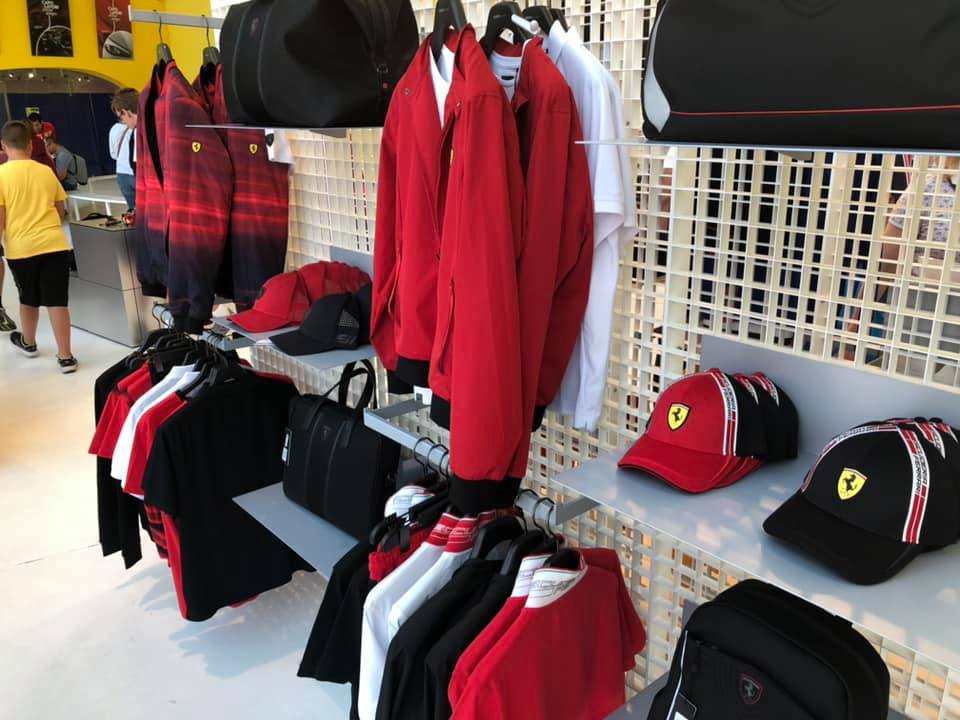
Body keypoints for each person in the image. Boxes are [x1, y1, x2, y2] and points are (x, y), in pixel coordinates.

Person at [0, 120, 77, 373]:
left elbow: (0, 218)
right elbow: (60, 210)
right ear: (31, 146)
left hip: (21, 248)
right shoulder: (45, 171)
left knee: (28, 299)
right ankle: (65, 356)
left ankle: (29, 342)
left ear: (3, 146)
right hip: (54, 245)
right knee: (57, 301)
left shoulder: (1, 175)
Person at [110, 88, 138, 211]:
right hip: (136, 174)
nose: (123, 122)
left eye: (121, 117)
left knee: (135, 211)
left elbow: (113, 154)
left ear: (125, 112)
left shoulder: (137, 131)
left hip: (124, 173)